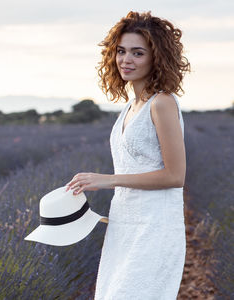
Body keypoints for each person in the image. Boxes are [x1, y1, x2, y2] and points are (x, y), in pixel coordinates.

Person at [65, 11, 191, 299]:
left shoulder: (162, 103)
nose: (126, 60)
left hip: (154, 227)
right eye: (121, 51)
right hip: (123, 224)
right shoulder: (130, 107)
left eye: (137, 52)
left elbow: (175, 175)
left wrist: (108, 180)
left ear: (156, 57)